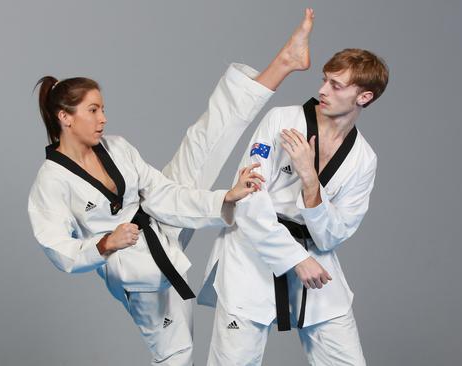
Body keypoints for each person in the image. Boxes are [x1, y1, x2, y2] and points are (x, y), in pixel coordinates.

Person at [27, 9, 315, 365]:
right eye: (93, 110)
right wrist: (104, 243)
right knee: (175, 354)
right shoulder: (51, 181)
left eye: (103, 108)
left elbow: (160, 193)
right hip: (135, 266)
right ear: (65, 118)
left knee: (204, 142)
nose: (103, 118)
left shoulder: (115, 146)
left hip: (159, 217)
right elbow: (58, 248)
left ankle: (284, 62)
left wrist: (225, 196)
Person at [199, 47, 389, 365]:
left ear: (364, 97)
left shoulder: (363, 159)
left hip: (314, 257)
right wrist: (295, 258)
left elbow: (333, 235)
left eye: (336, 85)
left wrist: (310, 181)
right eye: (325, 80)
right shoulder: (282, 121)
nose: (322, 90)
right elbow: (248, 199)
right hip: (252, 252)